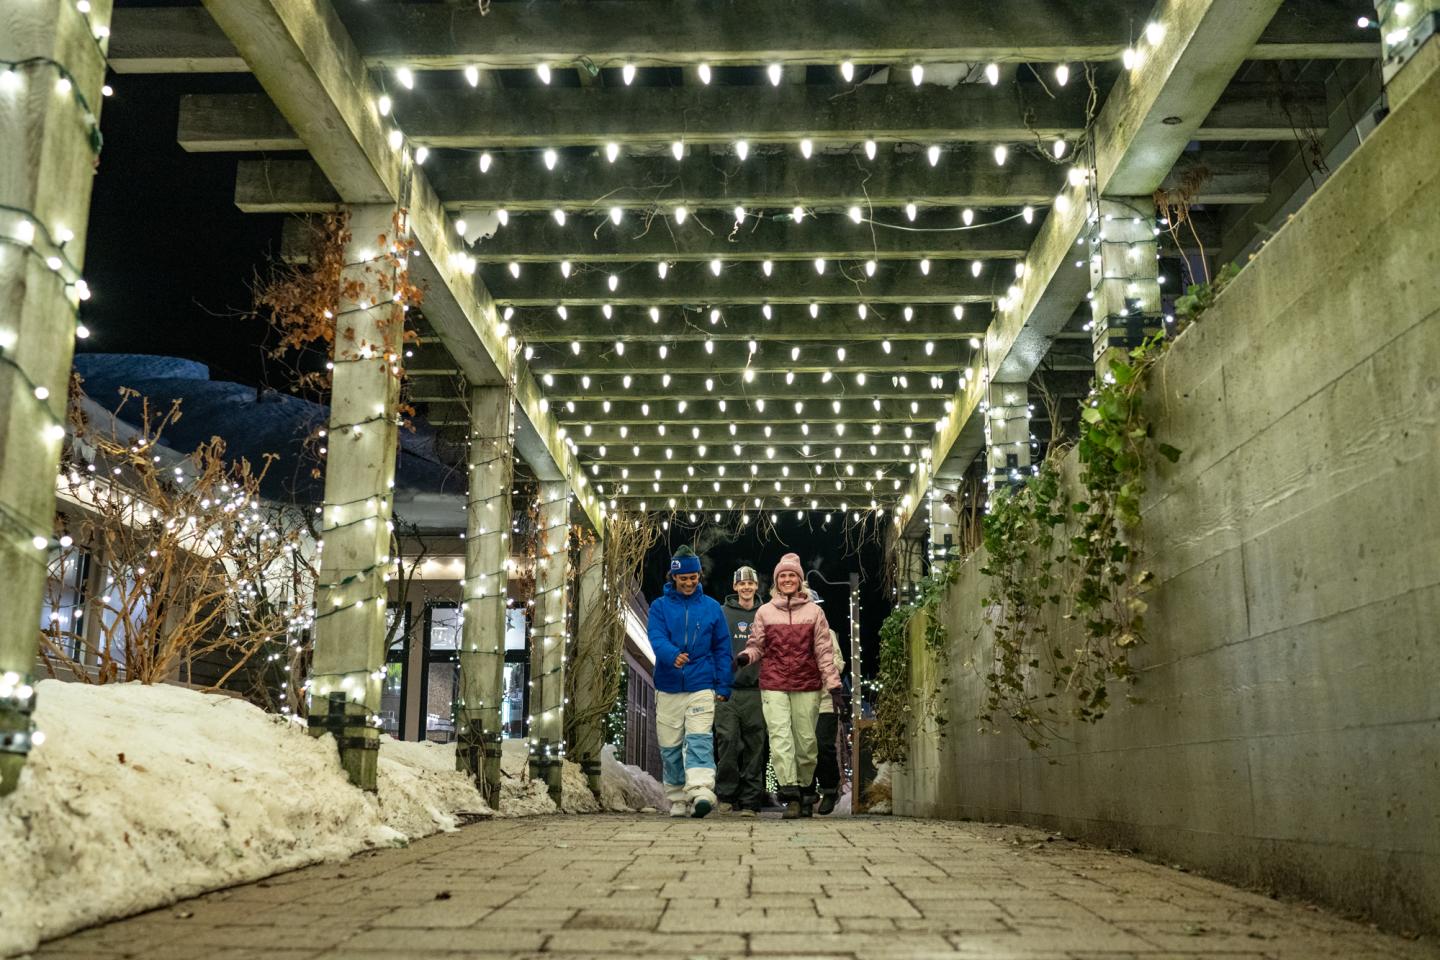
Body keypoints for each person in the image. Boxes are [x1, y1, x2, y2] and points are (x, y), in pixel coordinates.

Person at [736, 553, 843, 819]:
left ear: (799, 580)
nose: (786, 579)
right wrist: (747, 656)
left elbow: (824, 651)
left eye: (791, 575)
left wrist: (833, 685)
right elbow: (757, 644)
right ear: (776, 581)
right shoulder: (765, 611)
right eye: (782, 576)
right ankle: (792, 796)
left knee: (806, 743)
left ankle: (808, 790)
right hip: (774, 683)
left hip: (807, 684)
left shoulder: (815, 612)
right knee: (781, 740)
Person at [646, 544, 733, 818]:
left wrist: (723, 684)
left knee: (699, 739)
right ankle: (677, 797)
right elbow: (656, 637)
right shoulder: (659, 607)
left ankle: (701, 791)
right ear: (673, 577)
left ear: (699, 576)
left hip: (701, 683)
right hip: (668, 684)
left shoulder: (712, 608)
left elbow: (722, 647)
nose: (688, 583)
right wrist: (672, 655)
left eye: (693, 577)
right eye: (683, 578)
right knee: (670, 746)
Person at [716, 566, 768, 817]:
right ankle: (726, 795)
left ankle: (750, 801)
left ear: (757, 586)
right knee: (727, 743)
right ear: (735, 587)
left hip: (757, 690)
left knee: (755, 746)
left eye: (751, 583)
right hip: (727, 688)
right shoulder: (722, 612)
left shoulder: (766, 612)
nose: (746, 587)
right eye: (741, 584)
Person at [808, 590, 846, 816]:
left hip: (824, 698)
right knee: (803, 748)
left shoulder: (828, 633)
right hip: (801, 698)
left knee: (823, 745)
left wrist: (824, 669)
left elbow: (839, 663)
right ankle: (807, 793)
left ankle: (830, 788)